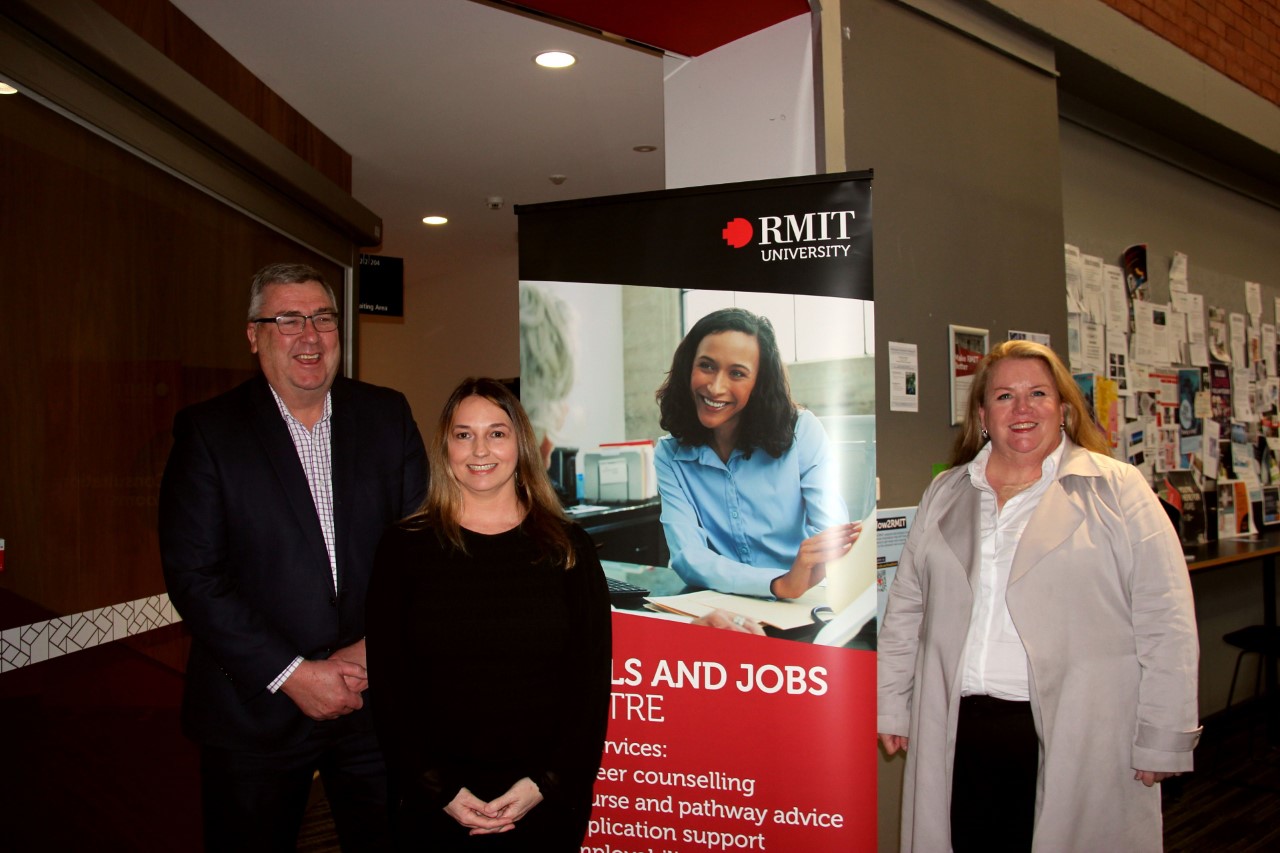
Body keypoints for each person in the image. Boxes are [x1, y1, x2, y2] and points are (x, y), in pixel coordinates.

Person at [877, 340, 1201, 852]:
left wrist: (1164, 736)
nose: (1022, 409)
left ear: (1064, 409)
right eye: (1004, 396)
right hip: (961, 730)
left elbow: (1167, 620)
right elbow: (905, 609)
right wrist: (893, 705)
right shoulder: (946, 493)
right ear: (982, 415)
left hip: (1081, 731)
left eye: (1038, 394)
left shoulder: (1118, 490)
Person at [159, 262, 428, 851]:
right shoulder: (209, 433)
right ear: (253, 335)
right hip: (254, 710)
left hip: (373, 702)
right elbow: (195, 576)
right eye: (287, 320)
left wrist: (372, 648)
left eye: (323, 318)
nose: (309, 336)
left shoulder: (387, 416)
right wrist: (294, 674)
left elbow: (419, 547)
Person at [366, 377, 611, 850]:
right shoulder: (402, 549)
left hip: (542, 800)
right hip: (435, 800)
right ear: (445, 446)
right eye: (464, 434)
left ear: (520, 442)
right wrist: (439, 790)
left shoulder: (568, 548)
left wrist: (543, 784)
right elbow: (391, 688)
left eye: (496, 433)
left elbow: (589, 687)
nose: (480, 449)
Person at [654, 307, 860, 599]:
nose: (715, 387)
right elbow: (688, 556)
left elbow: (832, 537)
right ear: (689, 367)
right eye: (707, 366)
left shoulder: (803, 431)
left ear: (759, 383)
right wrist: (778, 582)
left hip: (803, 600)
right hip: (720, 604)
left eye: (737, 373)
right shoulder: (669, 455)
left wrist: (798, 579)